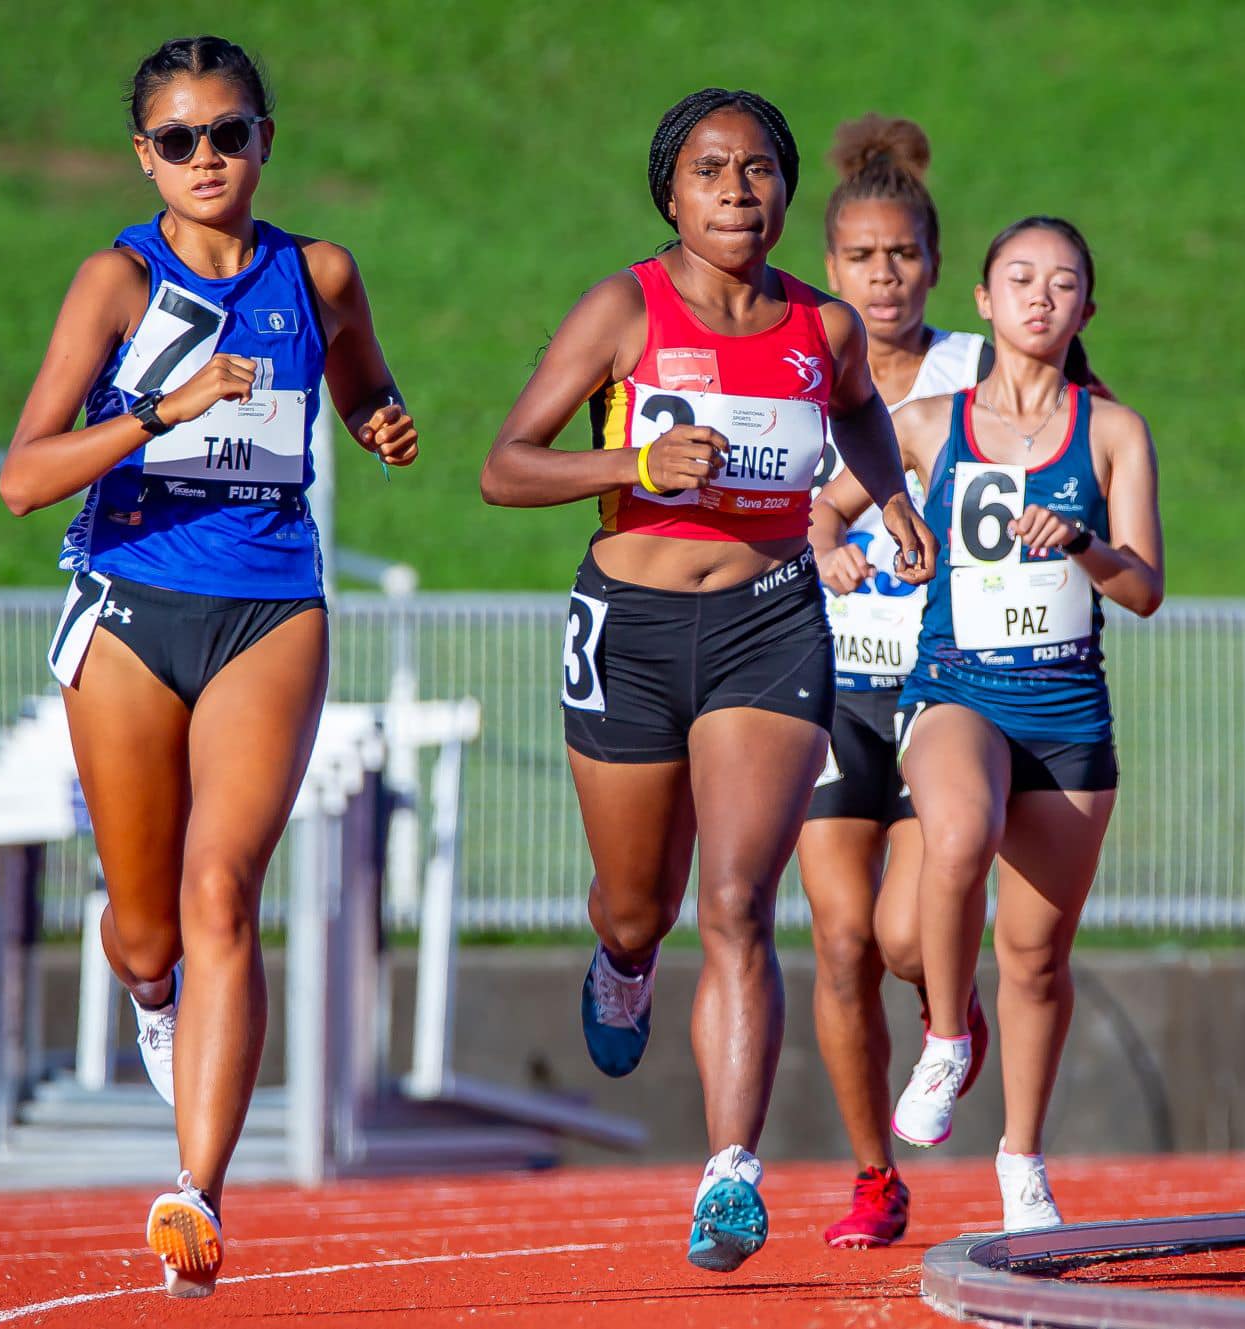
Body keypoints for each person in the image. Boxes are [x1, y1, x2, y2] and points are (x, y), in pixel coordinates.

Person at [480, 88, 935, 1271]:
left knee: (736, 902)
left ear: (785, 189)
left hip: (768, 624)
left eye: (756, 170)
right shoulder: (622, 308)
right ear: (669, 194)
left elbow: (859, 417)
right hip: (627, 630)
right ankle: (623, 963)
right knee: (641, 902)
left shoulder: (822, 329)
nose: (736, 190)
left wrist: (887, 498)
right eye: (708, 171)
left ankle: (729, 1171)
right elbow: (504, 467)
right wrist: (632, 460)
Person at [0, 35, 417, 1296]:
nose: (205, 159)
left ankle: (196, 1194)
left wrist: (377, 418)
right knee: (145, 929)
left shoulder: (319, 271)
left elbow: (358, 379)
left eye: (227, 133)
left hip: (269, 610)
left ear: (263, 141)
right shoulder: (116, 282)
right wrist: (159, 413)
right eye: (177, 140)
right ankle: (150, 994)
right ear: (145, 156)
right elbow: (25, 476)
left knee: (222, 887)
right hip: (129, 608)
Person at [822, 216, 1162, 1230]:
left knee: (1033, 961)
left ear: (1083, 311)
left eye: (1061, 284)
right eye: (1018, 278)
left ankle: (1021, 1165)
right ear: (981, 302)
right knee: (957, 831)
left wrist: (1085, 546)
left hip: (1062, 707)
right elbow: (825, 505)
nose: (1038, 297)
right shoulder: (931, 421)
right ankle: (940, 1041)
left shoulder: (1111, 431)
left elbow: (1142, 587)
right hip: (953, 688)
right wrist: (842, 546)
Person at [796, 114, 990, 1251]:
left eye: (902, 255)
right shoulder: (795, 369)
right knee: (836, 941)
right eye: (860, 258)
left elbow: (1075, 441)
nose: (882, 277)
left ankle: (946, 1020)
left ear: (930, 258)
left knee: (907, 940)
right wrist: (813, 546)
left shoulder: (976, 371)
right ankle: (874, 1179)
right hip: (819, 681)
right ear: (829, 268)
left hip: (941, 682)